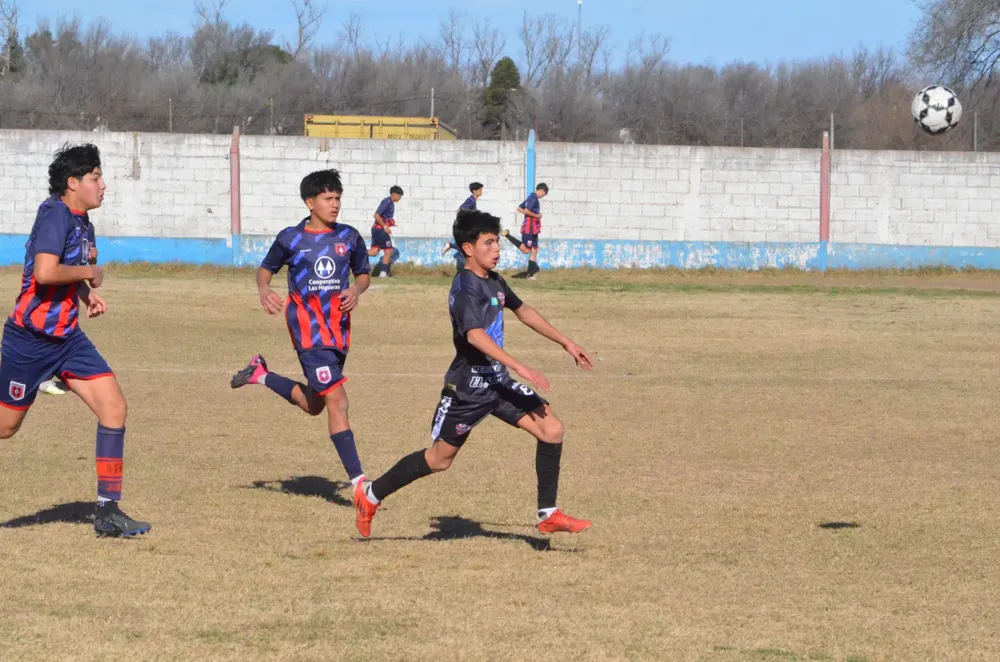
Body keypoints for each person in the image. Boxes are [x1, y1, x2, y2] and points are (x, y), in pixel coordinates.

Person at [352, 209, 593, 538]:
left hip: (498, 384)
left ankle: (548, 513)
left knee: (551, 429)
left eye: (497, 242)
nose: (497, 249)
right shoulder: (464, 287)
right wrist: (520, 364)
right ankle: (369, 496)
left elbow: (523, 311)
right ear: (468, 248)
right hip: (467, 389)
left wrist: (566, 342)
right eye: (489, 242)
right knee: (439, 460)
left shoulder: (494, 280)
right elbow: (474, 335)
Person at [0, 143, 150, 537]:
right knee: (5, 428)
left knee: (114, 408)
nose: (104, 186)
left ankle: (107, 512)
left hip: (67, 338)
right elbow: (46, 272)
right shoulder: (55, 214)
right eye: (96, 177)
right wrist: (92, 272)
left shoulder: (83, 222)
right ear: (73, 183)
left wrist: (86, 293)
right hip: (29, 341)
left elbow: (66, 274)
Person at [231, 170, 372, 493]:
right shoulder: (290, 238)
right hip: (309, 333)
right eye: (327, 198)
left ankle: (260, 374)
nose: (335, 204)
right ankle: (360, 485)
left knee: (314, 404)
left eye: (337, 197)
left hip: (338, 332)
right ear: (310, 202)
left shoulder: (349, 237)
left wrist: (356, 290)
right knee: (338, 400)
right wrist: (264, 289)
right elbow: (266, 269)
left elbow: (363, 273)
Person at [39, 243, 98, 397]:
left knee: (62, 331)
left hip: (69, 295)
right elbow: (44, 266)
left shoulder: (87, 227)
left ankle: (57, 374)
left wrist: (92, 259)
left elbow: (88, 267)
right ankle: (43, 378)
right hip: (47, 297)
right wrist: (89, 271)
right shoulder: (55, 223)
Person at [503, 182, 548, 280]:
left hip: (534, 228)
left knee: (534, 249)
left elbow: (520, 208)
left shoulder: (531, 197)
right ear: (541, 190)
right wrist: (538, 216)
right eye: (544, 194)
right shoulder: (533, 198)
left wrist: (530, 215)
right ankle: (507, 235)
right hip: (529, 228)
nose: (543, 196)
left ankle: (530, 274)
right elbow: (527, 210)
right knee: (526, 250)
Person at [441, 182, 484, 274]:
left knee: (467, 246)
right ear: (474, 191)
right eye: (480, 190)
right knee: (465, 247)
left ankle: (450, 246)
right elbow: (462, 210)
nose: (481, 192)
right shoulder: (471, 201)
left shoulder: (472, 201)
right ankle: (462, 271)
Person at [368, 185, 403, 278]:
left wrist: (391, 222)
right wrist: (385, 226)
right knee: (389, 251)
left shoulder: (390, 203)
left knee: (374, 252)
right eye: (400, 196)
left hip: (376, 229)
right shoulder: (386, 202)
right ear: (395, 194)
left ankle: (356, 252)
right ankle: (383, 273)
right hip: (380, 230)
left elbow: (384, 217)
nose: (400, 198)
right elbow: (376, 215)